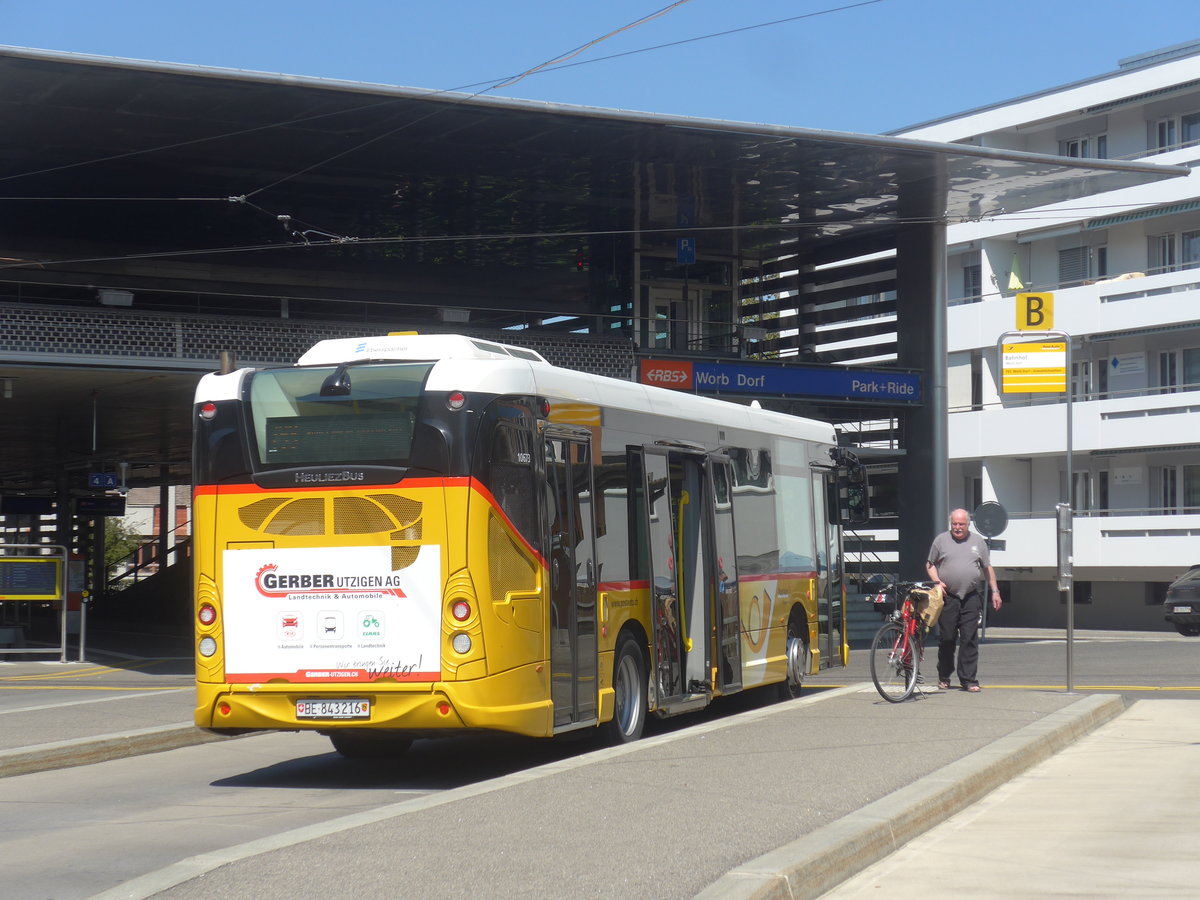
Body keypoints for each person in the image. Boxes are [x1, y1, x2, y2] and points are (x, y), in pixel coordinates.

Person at [925, 509, 1002, 692]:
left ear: (968, 524)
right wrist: (937, 582)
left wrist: (995, 591)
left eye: (961, 524)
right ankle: (944, 675)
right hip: (948, 596)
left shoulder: (978, 541)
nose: (957, 527)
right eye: (954, 524)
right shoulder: (941, 540)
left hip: (971, 596)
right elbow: (930, 564)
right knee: (948, 638)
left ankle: (968, 680)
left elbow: (987, 568)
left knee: (969, 638)